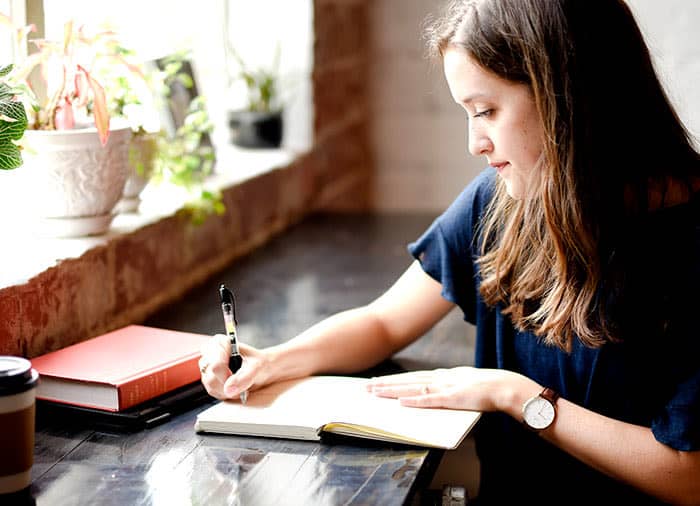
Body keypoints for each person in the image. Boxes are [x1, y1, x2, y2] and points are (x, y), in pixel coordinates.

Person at [199, 0, 700, 503]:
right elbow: (384, 323)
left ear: (566, 96)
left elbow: (686, 474)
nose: (474, 143)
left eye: (486, 111)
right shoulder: (502, 200)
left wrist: (515, 395)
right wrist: (274, 361)